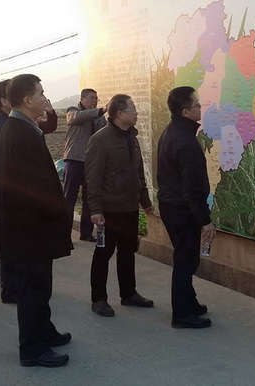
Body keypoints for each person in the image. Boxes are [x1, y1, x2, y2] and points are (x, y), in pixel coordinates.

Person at [0, 73, 73, 368]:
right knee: (32, 289)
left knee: (41, 286)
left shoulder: (22, 127)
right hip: (30, 228)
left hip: (31, 226)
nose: (45, 98)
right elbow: (34, 188)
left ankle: (44, 331)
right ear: (27, 100)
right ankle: (32, 349)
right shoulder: (20, 132)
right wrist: (55, 213)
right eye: (41, 93)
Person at [85, 94, 154, 317]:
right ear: (119, 114)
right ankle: (99, 298)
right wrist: (95, 210)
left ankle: (129, 293)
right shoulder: (100, 140)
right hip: (109, 209)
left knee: (127, 252)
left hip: (129, 206)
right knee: (103, 253)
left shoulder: (132, 138)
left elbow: (138, 174)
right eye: (133, 109)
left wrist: (145, 201)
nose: (136, 112)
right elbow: (93, 178)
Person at [156, 86, 215, 329]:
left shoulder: (172, 132)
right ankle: (181, 314)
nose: (200, 108)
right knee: (185, 261)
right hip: (181, 210)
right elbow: (191, 187)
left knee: (185, 257)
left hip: (172, 206)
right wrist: (205, 220)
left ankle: (189, 303)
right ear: (185, 112)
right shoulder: (185, 141)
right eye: (197, 105)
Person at [62, 88, 106, 242]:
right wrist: (101, 110)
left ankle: (86, 233)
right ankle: (64, 235)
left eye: (96, 98)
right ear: (82, 99)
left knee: (90, 198)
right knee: (69, 198)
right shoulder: (73, 111)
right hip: (75, 160)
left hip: (91, 163)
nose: (95, 101)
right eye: (92, 98)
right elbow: (78, 117)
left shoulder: (99, 117)